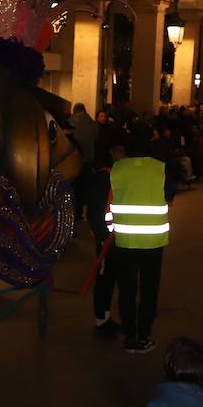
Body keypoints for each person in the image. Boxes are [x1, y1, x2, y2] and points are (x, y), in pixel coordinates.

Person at [106, 130, 175, 354]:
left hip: (124, 241)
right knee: (148, 291)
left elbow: (110, 199)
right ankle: (145, 335)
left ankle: (130, 336)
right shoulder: (160, 168)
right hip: (153, 242)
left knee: (126, 290)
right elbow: (170, 195)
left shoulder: (117, 168)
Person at [85, 142, 122, 338]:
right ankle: (101, 321)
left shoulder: (110, 176)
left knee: (109, 279)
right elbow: (94, 213)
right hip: (106, 240)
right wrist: (103, 238)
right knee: (104, 280)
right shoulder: (104, 178)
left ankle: (105, 317)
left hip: (112, 239)